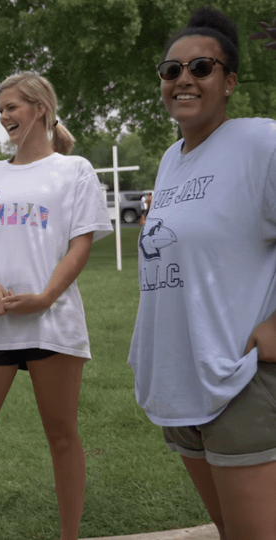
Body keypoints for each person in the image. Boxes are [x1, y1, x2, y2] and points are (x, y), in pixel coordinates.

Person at [128, 6, 276, 540]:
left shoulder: (261, 144)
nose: (183, 79)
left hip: (238, 382)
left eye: (202, 68)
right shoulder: (172, 159)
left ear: (230, 80)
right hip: (181, 383)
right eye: (172, 70)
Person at [0, 73, 112, 540]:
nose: (3, 116)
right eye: (0, 109)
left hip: (51, 324)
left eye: (12, 107)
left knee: (62, 435)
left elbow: (80, 246)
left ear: (39, 108)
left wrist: (44, 298)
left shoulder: (74, 170)